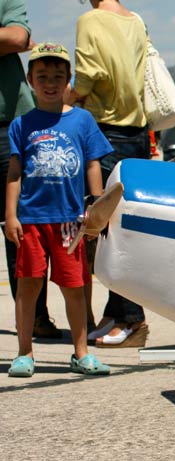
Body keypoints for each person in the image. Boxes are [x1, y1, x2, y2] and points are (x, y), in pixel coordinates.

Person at [5, 42, 113, 377]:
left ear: (69, 80)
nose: (50, 83)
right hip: (31, 220)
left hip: (70, 221)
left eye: (57, 76)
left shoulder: (82, 120)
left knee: (75, 288)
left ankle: (81, 353)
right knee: (27, 288)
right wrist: (11, 215)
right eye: (42, 76)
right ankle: (24, 353)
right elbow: (14, 173)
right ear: (30, 80)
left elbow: (93, 164)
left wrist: (97, 206)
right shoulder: (21, 124)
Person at [65, 0, 150, 347]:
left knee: (104, 228)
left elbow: (88, 76)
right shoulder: (136, 20)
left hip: (105, 130)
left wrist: (66, 100)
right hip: (138, 133)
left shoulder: (90, 20)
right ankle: (117, 313)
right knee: (124, 225)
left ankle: (131, 318)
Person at [0, 0, 62, 339]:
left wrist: (12, 40)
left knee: (21, 229)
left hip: (9, 123)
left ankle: (35, 316)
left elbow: (18, 37)